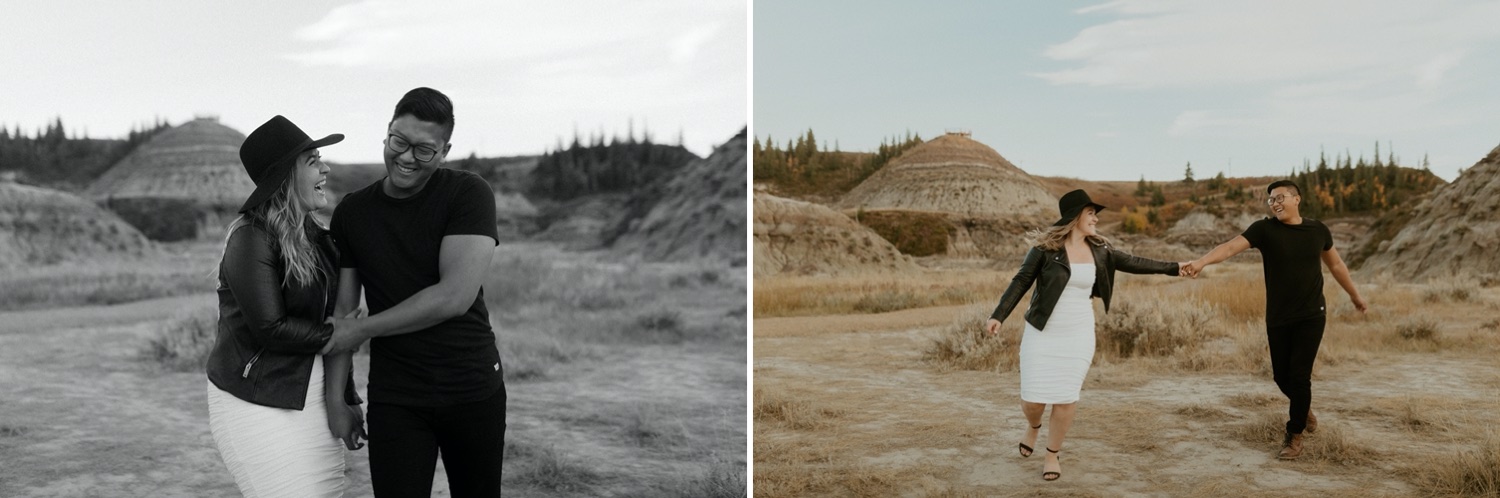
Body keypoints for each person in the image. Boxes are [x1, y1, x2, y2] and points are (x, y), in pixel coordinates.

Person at [322, 87, 504, 497]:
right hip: (396, 395)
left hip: (472, 388)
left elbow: (453, 296)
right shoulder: (352, 212)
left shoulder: (468, 194)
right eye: (398, 142)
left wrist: (364, 330)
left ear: (445, 151)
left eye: (424, 150)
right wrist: (337, 397)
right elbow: (343, 314)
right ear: (387, 133)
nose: (405, 158)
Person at [205, 115, 365, 497]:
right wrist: (341, 334)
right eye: (312, 161)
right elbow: (271, 328)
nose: (325, 167)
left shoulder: (320, 240)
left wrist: (345, 398)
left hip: (313, 399)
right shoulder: (251, 238)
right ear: (285, 176)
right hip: (257, 402)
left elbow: (336, 316)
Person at [984, 189, 1186, 481]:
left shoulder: (1101, 250)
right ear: (1075, 216)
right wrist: (998, 314)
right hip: (1042, 332)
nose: (1095, 218)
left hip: (1078, 333)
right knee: (1033, 401)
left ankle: (1052, 454)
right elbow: (1021, 281)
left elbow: (1136, 263)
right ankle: (1033, 426)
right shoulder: (1044, 249)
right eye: (1091, 213)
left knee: (1066, 398)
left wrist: (1176, 268)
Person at [1183, 180, 1367, 460]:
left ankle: (1294, 434)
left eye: (1280, 197)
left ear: (1296, 199)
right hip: (1278, 316)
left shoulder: (1318, 230)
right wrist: (1201, 262)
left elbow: (1336, 265)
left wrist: (1354, 296)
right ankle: (1303, 411)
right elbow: (1230, 247)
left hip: (1311, 315)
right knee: (1281, 377)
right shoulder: (1264, 229)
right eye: (1271, 200)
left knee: (1299, 376)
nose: (1275, 203)